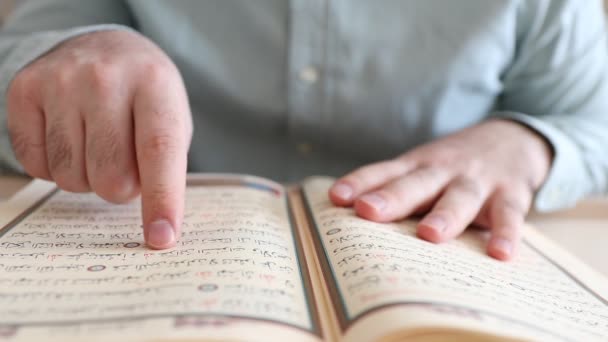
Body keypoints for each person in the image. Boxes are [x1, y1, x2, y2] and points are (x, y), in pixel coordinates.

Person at [0, 1, 606, 260]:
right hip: (146, 263)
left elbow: (594, 124)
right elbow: (19, 75)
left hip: (435, 269)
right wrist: (69, 59)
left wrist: (530, 144)